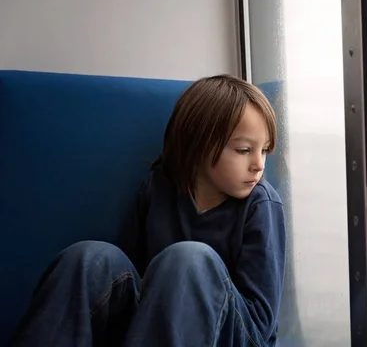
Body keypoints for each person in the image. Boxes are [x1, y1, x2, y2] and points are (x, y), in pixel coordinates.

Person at [10, 75, 287, 347]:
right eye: (243, 150)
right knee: (90, 258)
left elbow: (260, 327)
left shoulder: (260, 204)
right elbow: (130, 276)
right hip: (153, 329)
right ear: (198, 144)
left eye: (263, 150)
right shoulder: (159, 185)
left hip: (233, 335)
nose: (258, 165)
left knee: (189, 259)